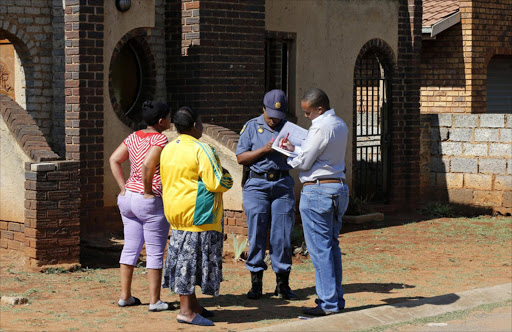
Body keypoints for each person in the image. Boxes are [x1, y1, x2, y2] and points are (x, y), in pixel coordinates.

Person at [160, 107, 233, 327]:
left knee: (184, 260)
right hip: (198, 215)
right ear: (194, 126)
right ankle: (185, 312)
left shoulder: (168, 148)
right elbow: (217, 182)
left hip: (176, 213)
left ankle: (193, 305)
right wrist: (227, 176)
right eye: (200, 122)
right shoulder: (203, 149)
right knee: (189, 264)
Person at [280, 88, 349, 316]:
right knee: (331, 246)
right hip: (337, 186)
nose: (306, 117)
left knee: (320, 250)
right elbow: (319, 154)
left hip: (318, 190)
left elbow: (306, 162)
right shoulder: (339, 123)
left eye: (308, 112)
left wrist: (290, 153)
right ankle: (335, 300)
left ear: (319, 108)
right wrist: (297, 149)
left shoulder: (320, 127)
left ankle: (328, 303)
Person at [109, 101, 172, 312]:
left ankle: (125, 296)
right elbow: (148, 165)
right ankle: (155, 301)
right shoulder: (160, 139)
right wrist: (147, 190)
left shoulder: (134, 136)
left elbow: (114, 159)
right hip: (149, 200)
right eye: (169, 116)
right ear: (161, 121)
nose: (170, 120)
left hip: (128, 198)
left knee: (131, 247)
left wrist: (122, 187)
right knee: (154, 252)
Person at [236, 89, 298, 300]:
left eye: (278, 117)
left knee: (282, 235)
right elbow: (241, 158)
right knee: (257, 232)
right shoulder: (252, 126)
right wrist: (264, 150)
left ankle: (282, 283)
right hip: (257, 185)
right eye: (271, 116)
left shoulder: (289, 129)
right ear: (263, 109)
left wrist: (292, 149)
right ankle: (256, 283)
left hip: (282, 184)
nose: (274, 121)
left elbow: (302, 155)